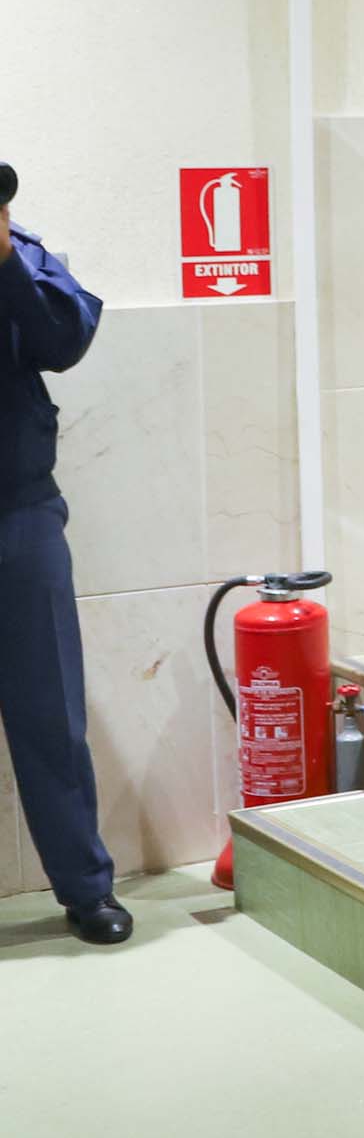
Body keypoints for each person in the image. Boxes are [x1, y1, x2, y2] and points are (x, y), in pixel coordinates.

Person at [0, 176, 129, 947]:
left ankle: (86, 890)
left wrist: (5, 259)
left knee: (53, 717)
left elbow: (65, 340)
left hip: (20, 516)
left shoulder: (26, 258)